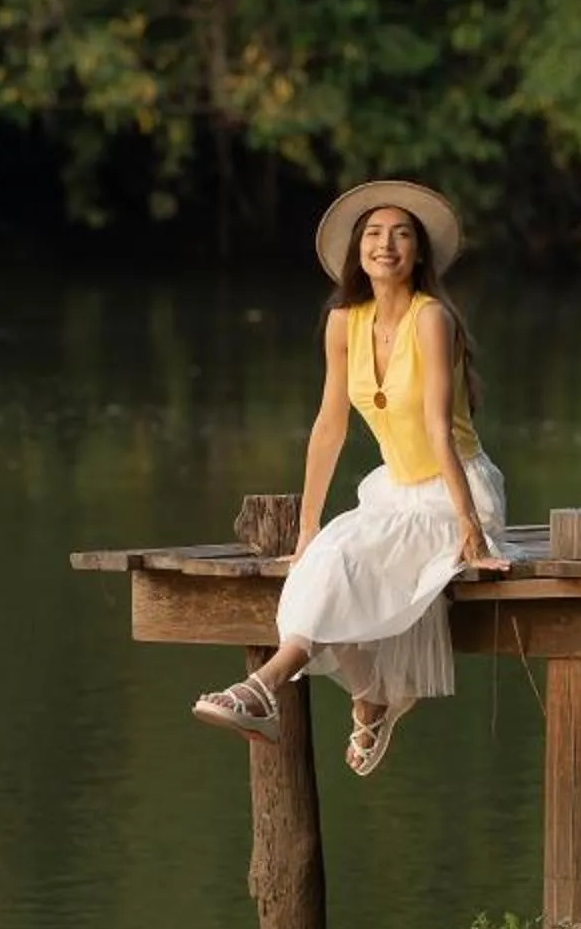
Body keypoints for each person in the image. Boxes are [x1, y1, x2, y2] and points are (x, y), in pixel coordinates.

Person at [191, 180, 510, 775]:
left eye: (401, 234)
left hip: (453, 489)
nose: (385, 245)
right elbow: (329, 426)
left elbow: (440, 428)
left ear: (418, 253)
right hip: (394, 489)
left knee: (347, 566)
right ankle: (368, 697)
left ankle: (260, 690)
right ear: (356, 251)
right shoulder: (344, 321)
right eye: (373, 234)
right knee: (325, 558)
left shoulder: (432, 318)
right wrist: (307, 527)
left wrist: (471, 528)